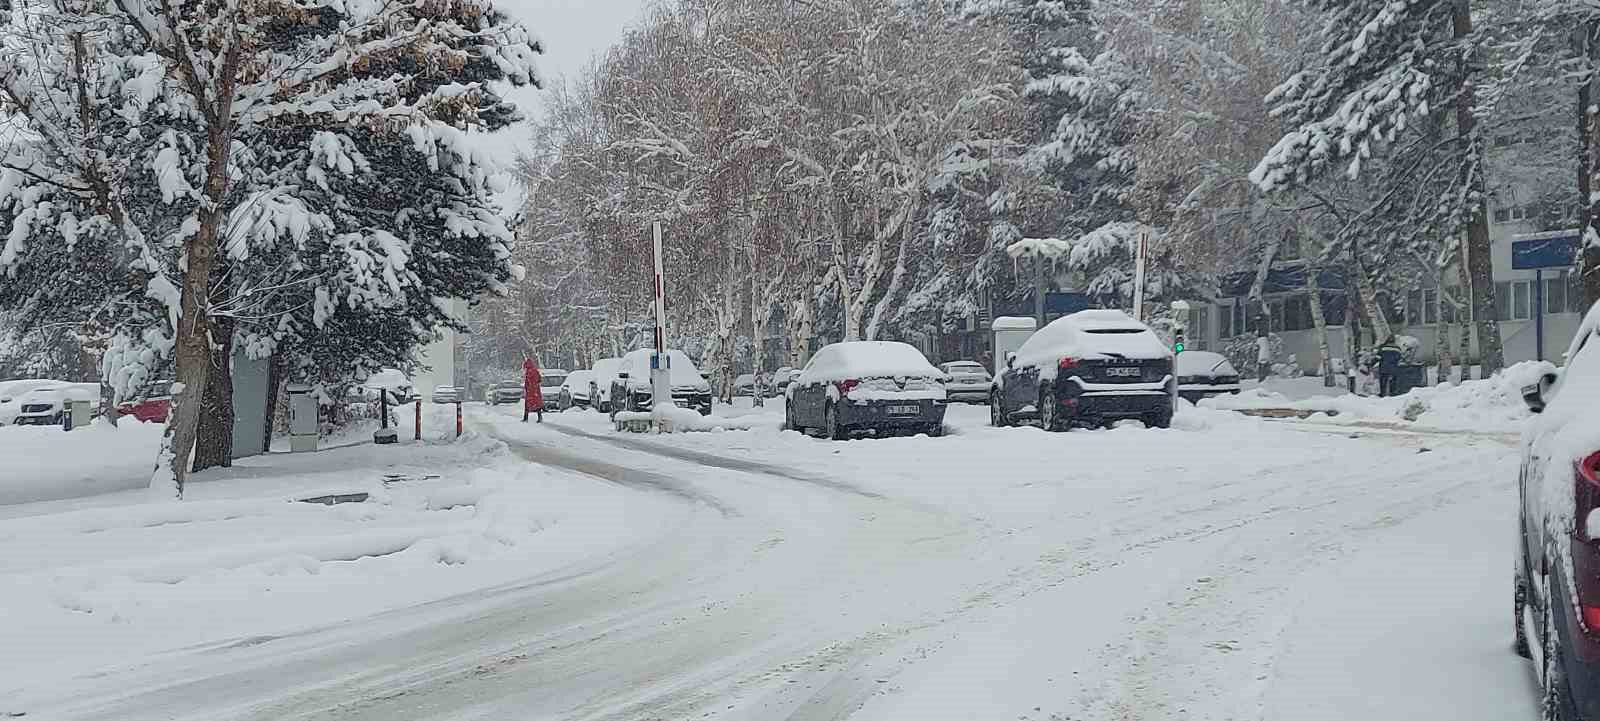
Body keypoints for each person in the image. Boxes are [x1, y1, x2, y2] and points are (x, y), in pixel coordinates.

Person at [523, 358, 544, 423]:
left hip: (532, 391)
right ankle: (528, 418)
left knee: (532, 404)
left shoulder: (530, 372)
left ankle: (526, 418)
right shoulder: (534, 370)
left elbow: (531, 382)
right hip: (533, 391)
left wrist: (531, 389)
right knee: (535, 404)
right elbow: (539, 379)